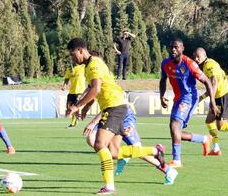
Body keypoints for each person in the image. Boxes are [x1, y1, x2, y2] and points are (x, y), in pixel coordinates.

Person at [66, 37, 169, 194]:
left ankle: (109, 186)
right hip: (116, 106)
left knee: (99, 144)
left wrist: (77, 106)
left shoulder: (94, 64)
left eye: (73, 55)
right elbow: (93, 90)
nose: (72, 58)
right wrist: (86, 108)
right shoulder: (88, 67)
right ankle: (154, 151)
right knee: (113, 152)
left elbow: (96, 89)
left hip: (114, 107)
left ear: (80, 50)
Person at [159, 40, 219, 168]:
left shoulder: (189, 63)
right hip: (178, 98)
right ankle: (204, 139)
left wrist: (212, 103)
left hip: (189, 98)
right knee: (175, 131)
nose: (173, 50)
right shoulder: (166, 63)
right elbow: (163, 80)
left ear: (182, 48)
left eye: (176, 47)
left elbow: (207, 82)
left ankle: (176, 160)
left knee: (175, 126)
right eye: (171, 47)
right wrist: (161, 96)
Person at [84, 103, 178, 184]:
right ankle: (124, 155)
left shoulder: (104, 86)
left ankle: (168, 170)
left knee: (137, 149)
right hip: (109, 115)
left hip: (123, 114)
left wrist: (92, 122)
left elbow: (110, 105)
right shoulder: (94, 85)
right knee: (92, 139)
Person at [61, 62, 86, 128]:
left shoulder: (83, 67)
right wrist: (64, 85)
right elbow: (67, 78)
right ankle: (76, 118)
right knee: (68, 107)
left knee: (74, 107)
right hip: (72, 91)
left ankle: (73, 123)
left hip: (80, 91)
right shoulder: (70, 68)